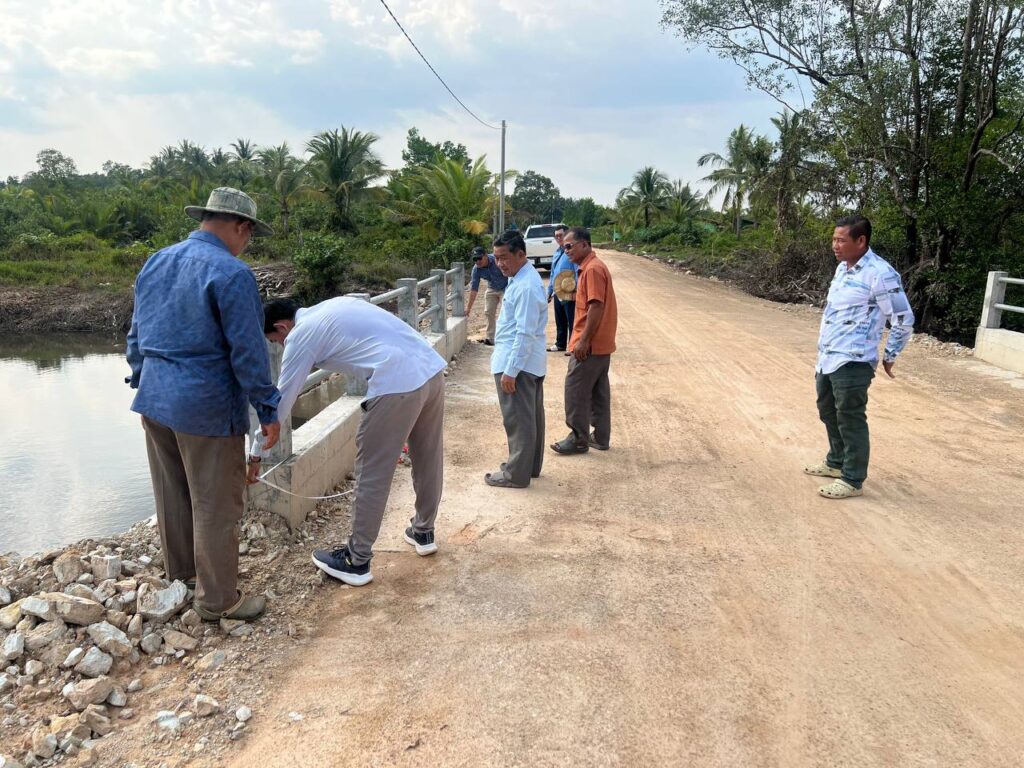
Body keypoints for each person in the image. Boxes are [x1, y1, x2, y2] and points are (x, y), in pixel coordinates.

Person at [126, 187, 281, 622]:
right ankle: (218, 601)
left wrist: (141, 376)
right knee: (216, 503)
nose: (247, 243)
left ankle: (184, 577)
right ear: (241, 226)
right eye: (250, 235)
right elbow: (248, 352)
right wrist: (267, 409)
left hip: (154, 398)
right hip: (206, 407)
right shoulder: (232, 273)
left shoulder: (157, 260)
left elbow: (136, 334)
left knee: (173, 491)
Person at [257, 297, 447, 586]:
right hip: (430, 371)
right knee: (428, 458)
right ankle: (424, 531)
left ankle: (356, 561)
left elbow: (281, 403)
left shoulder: (300, 335)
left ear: (282, 327)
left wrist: (255, 453)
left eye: (275, 341)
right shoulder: (331, 307)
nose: (280, 346)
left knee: (372, 473)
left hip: (396, 383)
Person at [804, 215, 914, 499]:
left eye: (841, 240)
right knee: (828, 410)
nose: (835, 245)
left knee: (850, 417)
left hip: (854, 359)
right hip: (829, 356)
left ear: (861, 241)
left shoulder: (880, 273)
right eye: (833, 239)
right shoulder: (843, 269)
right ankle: (836, 462)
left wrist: (890, 354)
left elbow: (903, 317)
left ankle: (852, 479)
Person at [484, 231, 548, 488]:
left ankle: (516, 475)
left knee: (518, 420)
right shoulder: (522, 279)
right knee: (530, 418)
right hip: (528, 362)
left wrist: (511, 370)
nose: (500, 264)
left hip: (518, 364)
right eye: (496, 258)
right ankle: (528, 467)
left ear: (521, 254)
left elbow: (524, 333)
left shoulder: (525, 287)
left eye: (504, 258)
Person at [550, 227, 617, 455]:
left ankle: (578, 438)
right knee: (598, 392)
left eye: (569, 246)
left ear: (585, 245)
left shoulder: (592, 270)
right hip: (601, 343)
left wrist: (583, 341)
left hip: (590, 344)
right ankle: (600, 436)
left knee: (575, 390)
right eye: (564, 247)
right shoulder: (591, 267)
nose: (566, 250)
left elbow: (596, 306)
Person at [465, 245, 508, 345]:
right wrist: (468, 309)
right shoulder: (476, 270)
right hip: (492, 288)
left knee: (506, 312)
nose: (477, 261)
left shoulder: (497, 260)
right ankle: (490, 338)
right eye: (475, 259)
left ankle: (506, 337)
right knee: (488, 312)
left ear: (485, 256)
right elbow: (474, 289)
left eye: (479, 258)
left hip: (506, 287)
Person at [546, 224, 578, 353]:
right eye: (556, 236)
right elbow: (552, 273)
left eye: (561, 235)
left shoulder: (572, 252)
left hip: (570, 291)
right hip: (557, 291)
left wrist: (576, 289)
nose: (558, 238)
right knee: (560, 319)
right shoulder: (557, 253)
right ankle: (560, 344)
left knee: (572, 319)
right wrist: (549, 291)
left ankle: (573, 346)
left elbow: (577, 271)